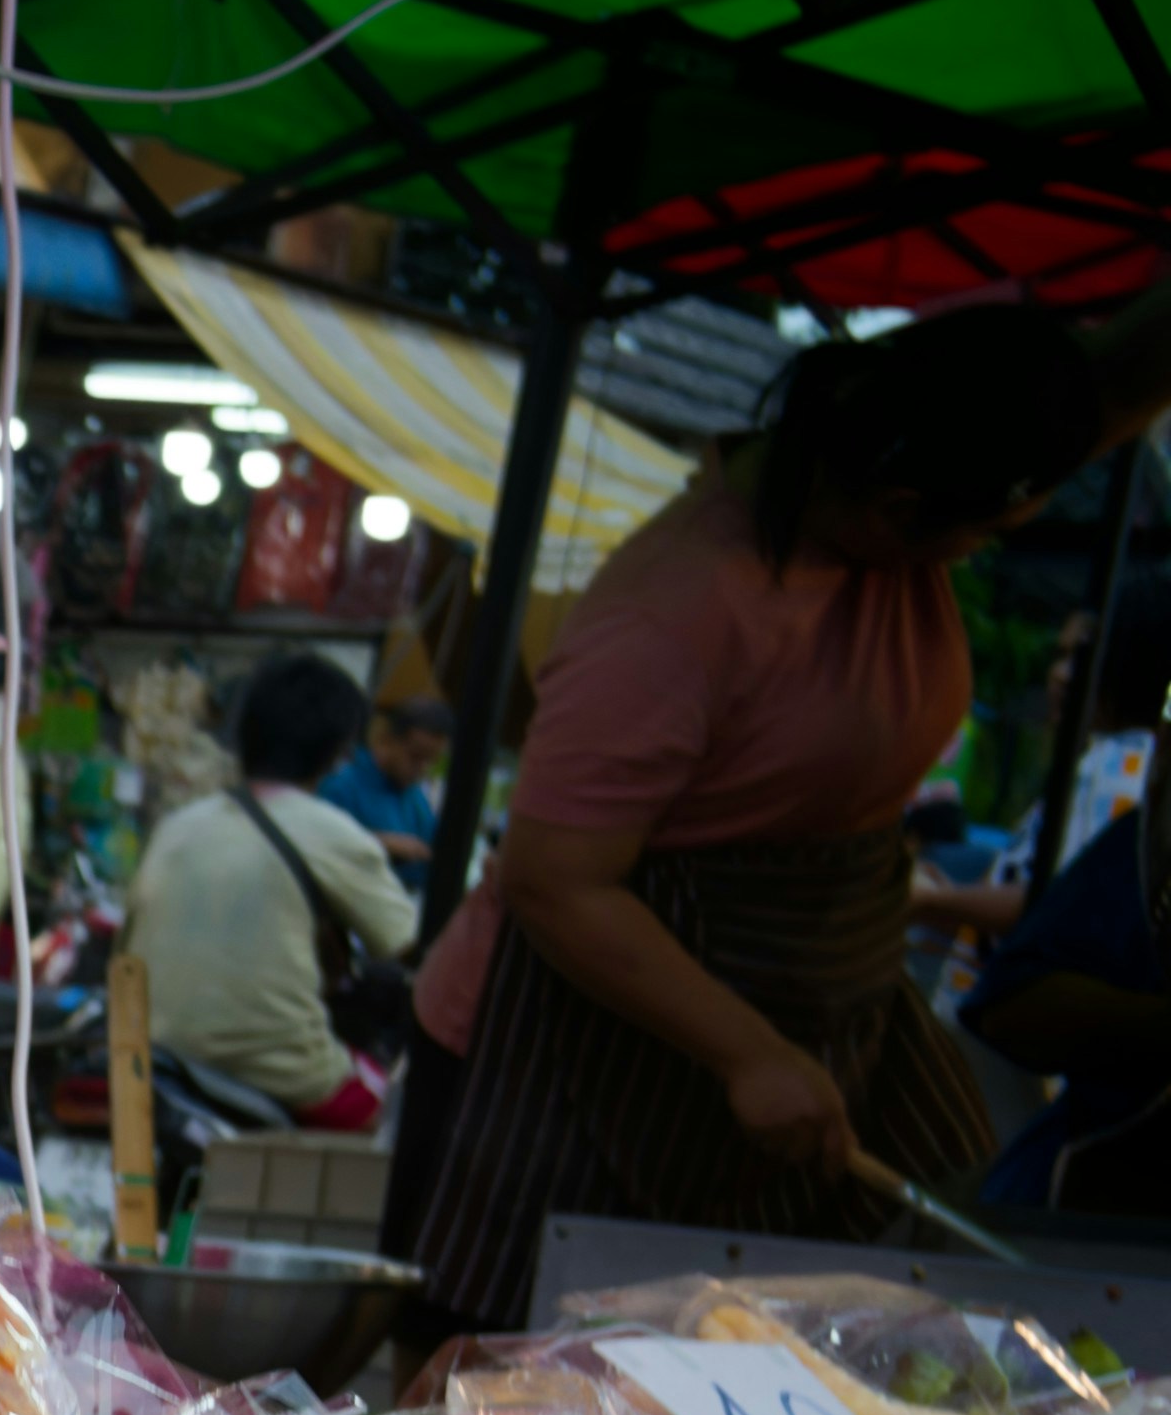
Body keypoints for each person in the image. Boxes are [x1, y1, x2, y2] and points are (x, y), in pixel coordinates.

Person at [399, 292, 1171, 1331]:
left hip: (812, 997)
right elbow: (552, 875)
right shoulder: (675, 607)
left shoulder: (881, 522)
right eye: (985, 533)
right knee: (542, 1364)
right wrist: (747, 1051)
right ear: (898, 508)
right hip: (588, 1037)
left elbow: (1113, 385)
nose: (983, 552)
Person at [121, 652, 424, 1130]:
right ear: (337, 750)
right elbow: (412, 947)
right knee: (401, 1122)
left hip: (153, 1050)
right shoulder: (335, 833)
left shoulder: (177, 826)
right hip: (272, 1067)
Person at [964, 580, 1171, 1215]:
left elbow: (1029, 906)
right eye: (1059, 657)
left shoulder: (1117, 767)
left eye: (1078, 659)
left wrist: (924, 903)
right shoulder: (1137, 803)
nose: (1058, 677)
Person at [313, 693, 448, 878]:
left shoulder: (414, 796)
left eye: (431, 761)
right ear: (386, 740)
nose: (422, 768)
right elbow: (316, 845)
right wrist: (377, 842)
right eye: (416, 756)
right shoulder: (340, 785)